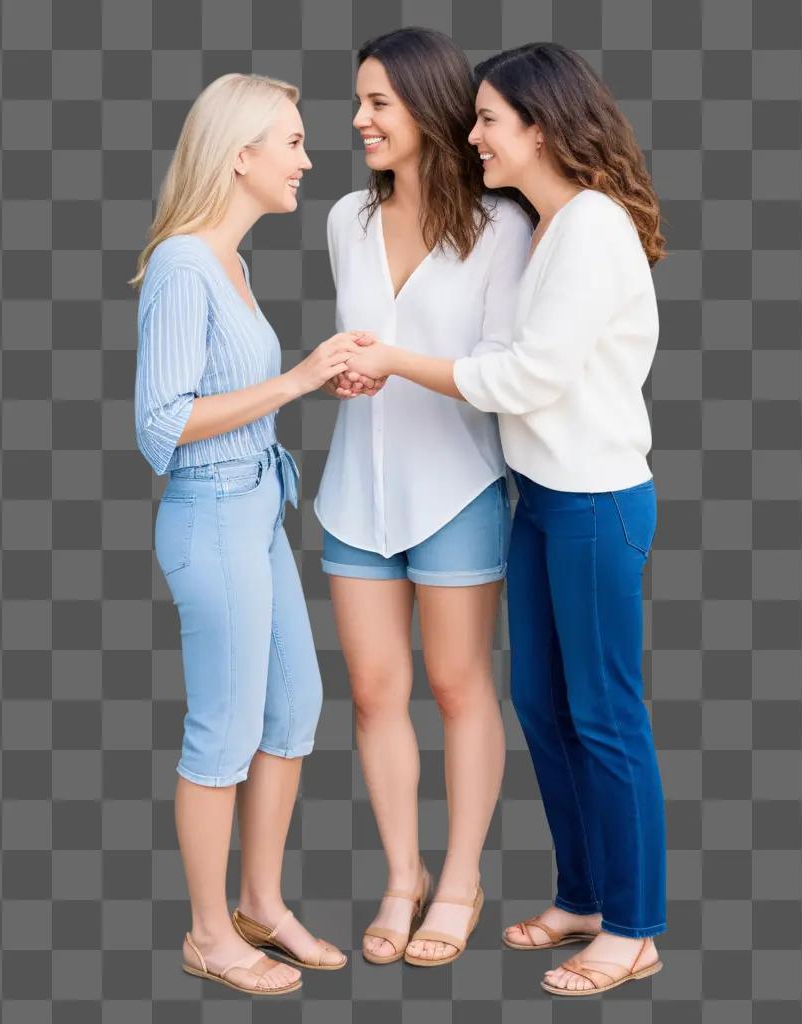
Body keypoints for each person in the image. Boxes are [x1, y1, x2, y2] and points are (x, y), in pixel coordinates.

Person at [344, 42, 669, 995]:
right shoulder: (553, 223)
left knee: (607, 714)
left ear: (541, 126)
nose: (473, 133)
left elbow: (526, 374)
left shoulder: (594, 227)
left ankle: (636, 926)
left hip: (596, 499)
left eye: (489, 119)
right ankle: (582, 897)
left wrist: (397, 360)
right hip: (539, 496)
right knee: (539, 703)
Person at [132, 73, 363, 996]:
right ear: (242, 155)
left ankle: (259, 906)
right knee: (221, 732)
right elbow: (161, 424)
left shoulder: (229, 262)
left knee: (293, 710)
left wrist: (313, 381)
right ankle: (205, 934)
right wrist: (299, 380)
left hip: (255, 510)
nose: (308, 159)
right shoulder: (187, 262)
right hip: (212, 513)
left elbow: (234, 397)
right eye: (294, 142)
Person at [314, 28, 532, 967]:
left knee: (456, 686)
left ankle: (460, 881)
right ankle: (401, 878)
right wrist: (345, 375)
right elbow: (354, 346)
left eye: (378, 104)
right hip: (354, 489)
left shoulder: (503, 229)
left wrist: (396, 362)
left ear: (429, 109)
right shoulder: (344, 223)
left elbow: (497, 371)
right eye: (358, 101)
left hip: (458, 488)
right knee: (372, 693)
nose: (358, 120)